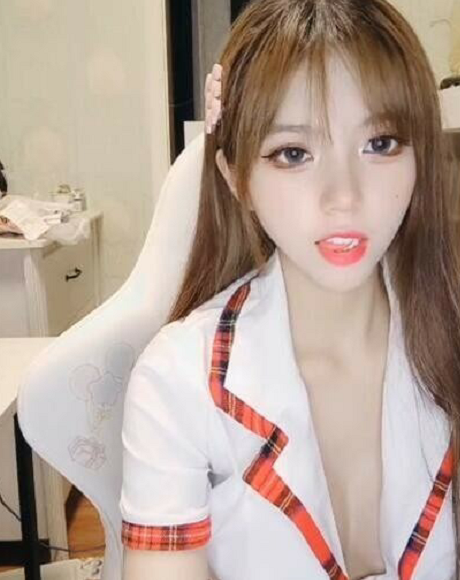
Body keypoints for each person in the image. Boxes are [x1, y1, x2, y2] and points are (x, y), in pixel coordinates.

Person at [120, 0, 460, 579]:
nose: (343, 196)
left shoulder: (447, 338)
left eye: (380, 143)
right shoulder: (177, 383)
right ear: (236, 178)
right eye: (294, 154)